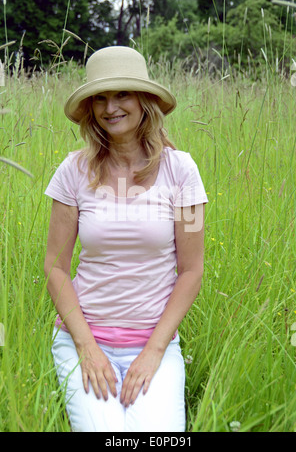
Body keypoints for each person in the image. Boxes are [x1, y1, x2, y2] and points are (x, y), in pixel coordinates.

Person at [44, 46, 208, 432]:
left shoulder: (181, 170)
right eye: (99, 97)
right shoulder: (73, 171)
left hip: (155, 343)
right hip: (82, 340)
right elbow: (55, 268)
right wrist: (87, 349)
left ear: (144, 100)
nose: (110, 107)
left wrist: (153, 351)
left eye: (122, 94)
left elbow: (191, 271)